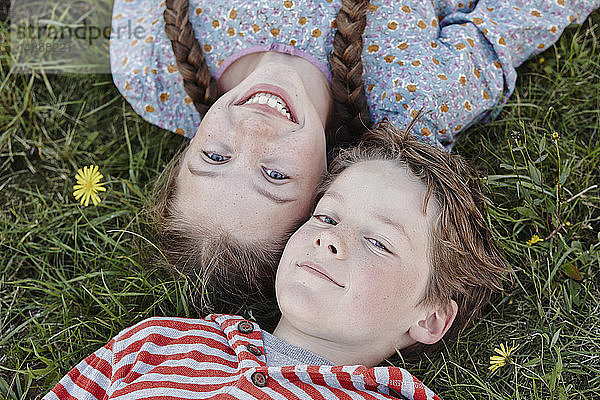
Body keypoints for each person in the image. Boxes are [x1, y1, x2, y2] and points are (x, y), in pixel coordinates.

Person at [110, 0, 598, 302]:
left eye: (215, 158)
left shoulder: (150, 67)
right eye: (275, 175)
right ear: (329, 186)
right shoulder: (414, 97)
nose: (253, 134)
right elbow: (514, 18)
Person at [43, 123, 507, 400]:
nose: (330, 240)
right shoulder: (157, 342)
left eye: (380, 242)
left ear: (431, 316)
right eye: (326, 216)